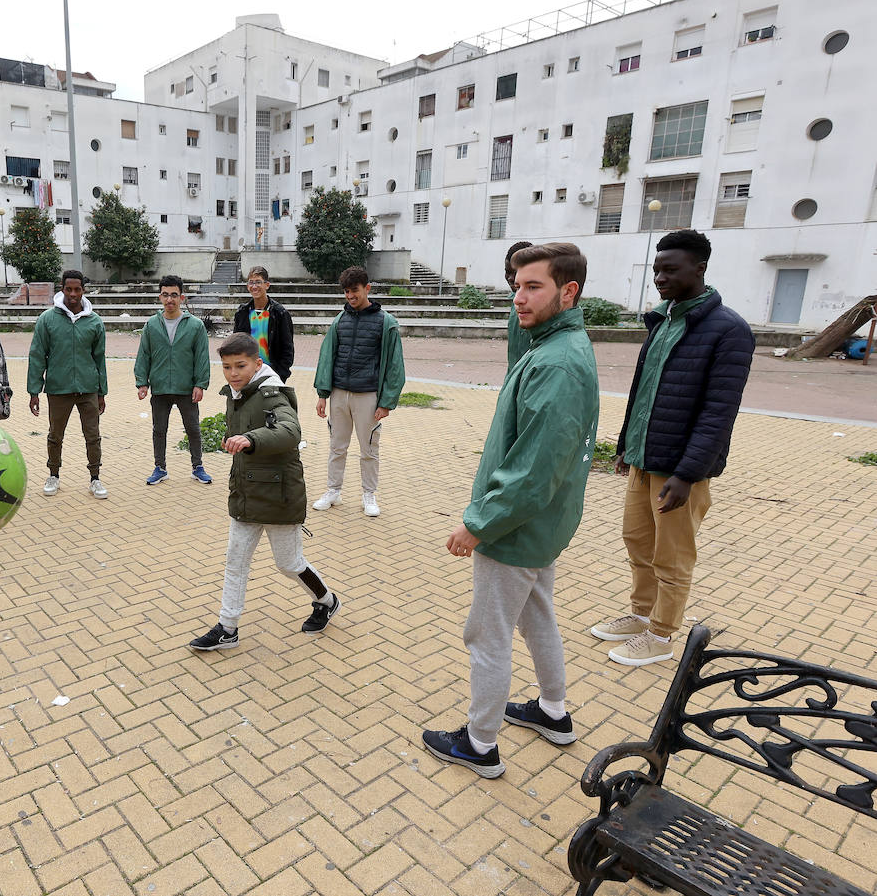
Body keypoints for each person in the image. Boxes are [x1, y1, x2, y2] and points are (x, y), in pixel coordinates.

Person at [423, 242, 599, 779]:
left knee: (488, 633)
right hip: (540, 528)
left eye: (533, 287)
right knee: (536, 615)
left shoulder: (555, 363)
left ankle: (480, 744)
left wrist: (477, 525)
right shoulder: (555, 345)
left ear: (568, 291)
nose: (518, 298)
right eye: (515, 286)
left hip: (517, 528)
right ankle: (553, 712)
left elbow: (532, 474)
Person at [592, 230, 754, 667]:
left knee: (673, 554)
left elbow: (719, 412)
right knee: (638, 542)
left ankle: (663, 634)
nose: (660, 277)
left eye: (670, 269)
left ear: (699, 268)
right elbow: (641, 392)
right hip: (646, 456)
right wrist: (626, 445)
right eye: (656, 269)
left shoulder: (729, 330)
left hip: (680, 469)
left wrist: (688, 474)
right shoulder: (662, 320)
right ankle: (642, 615)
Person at [188, 333, 340, 651]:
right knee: (235, 561)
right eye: (227, 367)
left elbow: (289, 430)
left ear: (257, 363)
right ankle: (227, 628)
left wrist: (250, 439)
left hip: (278, 493)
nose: (233, 373)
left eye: (240, 366)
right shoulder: (239, 392)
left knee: (289, 563)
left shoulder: (271, 392)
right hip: (246, 492)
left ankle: (326, 600)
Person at [312, 265, 406, 517]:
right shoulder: (339, 320)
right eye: (346, 292)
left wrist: (386, 402)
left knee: (369, 448)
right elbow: (327, 357)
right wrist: (323, 394)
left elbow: (395, 366)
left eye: (354, 291)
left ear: (367, 288)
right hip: (339, 394)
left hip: (368, 395)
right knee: (336, 446)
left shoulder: (386, 322)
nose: (350, 296)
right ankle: (333, 491)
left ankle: (369, 495)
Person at [28, 270, 109, 499]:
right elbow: (37, 355)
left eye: (77, 289)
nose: (73, 294)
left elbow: (99, 358)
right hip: (58, 389)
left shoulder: (94, 321)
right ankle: (53, 474)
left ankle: (95, 478)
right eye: (68, 289)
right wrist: (34, 390)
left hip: (88, 389)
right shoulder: (47, 320)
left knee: (93, 435)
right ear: (62, 289)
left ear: (83, 290)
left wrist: (102, 391)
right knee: (55, 435)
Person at [136, 275, 213, 485]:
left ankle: (198, 467)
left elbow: (202, 357)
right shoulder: (152, 324)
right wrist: (142, 382)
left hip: (186, 387)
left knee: (193, 429)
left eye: (174, 295)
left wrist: (200, 384)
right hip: (160, 387)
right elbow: (144, 354)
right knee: (159, 430)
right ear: (160, 297)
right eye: (165, 295)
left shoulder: (195, 325)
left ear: (182, 297)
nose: (170, 299)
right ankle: (160, 468)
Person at [232, 265, 295, 383]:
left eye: (258, 282)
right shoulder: (242, 313)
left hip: (271, 374)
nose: (254, 286)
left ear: (267, 285)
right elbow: (236, 344)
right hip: (247, 373)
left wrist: (281, 375)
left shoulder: (280, 313)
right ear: (247, 286)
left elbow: (288, 348)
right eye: (251, 282)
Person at [504, 240, 534, 371]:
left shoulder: (542, 304)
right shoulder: (515, 302)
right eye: (507, 271)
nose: (510, 278)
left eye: (515, 272)